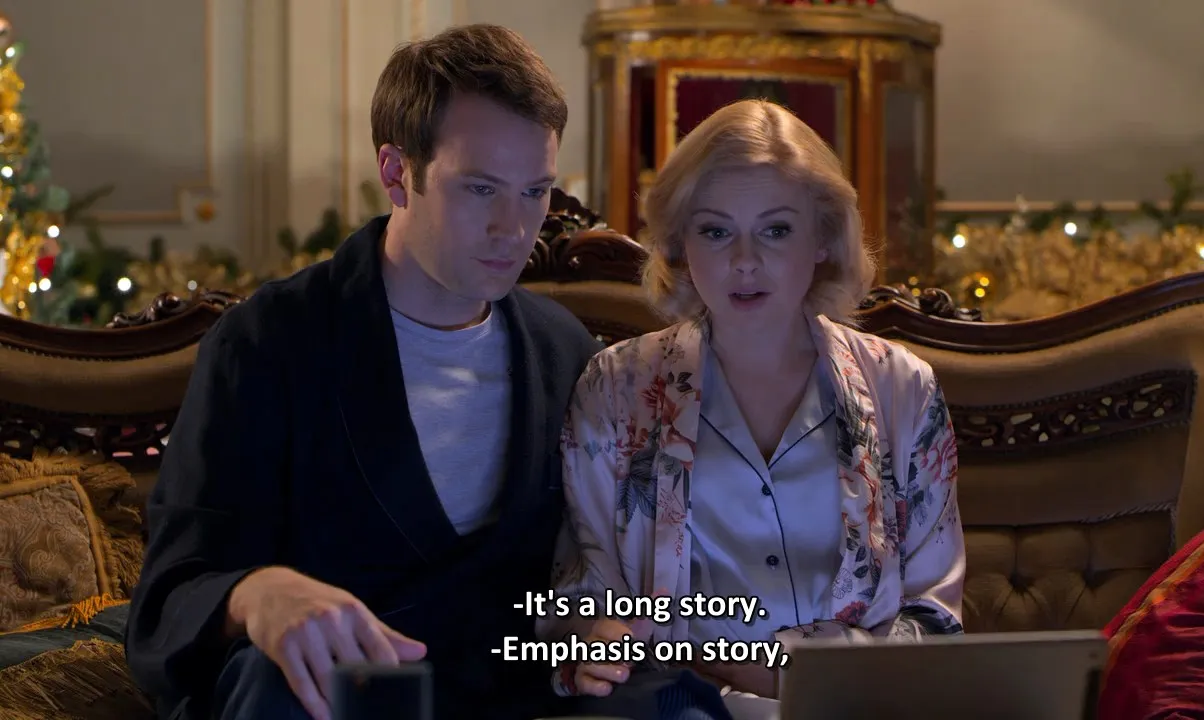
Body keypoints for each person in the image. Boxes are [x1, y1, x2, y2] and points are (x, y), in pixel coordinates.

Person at [125, 24, 600, 720]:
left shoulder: (565, 353)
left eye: (535, 192)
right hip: (334, 698)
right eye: (480, 188)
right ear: (395, 173)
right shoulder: (268, 344)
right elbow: (169, 599)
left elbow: (596, 569)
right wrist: (255, 594)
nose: (515, 228)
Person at [537, 99, 965, 718]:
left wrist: (807, 676)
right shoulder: (616, 387)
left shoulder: (902, 388)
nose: (744, 261)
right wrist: (593, 639)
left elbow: (935, 617)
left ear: (823, 238)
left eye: (776, 230)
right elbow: (582, 601)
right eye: (715, 231)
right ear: (680, 242)